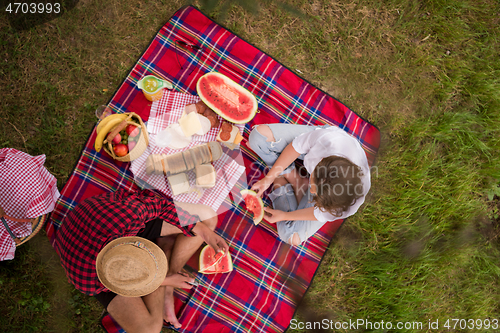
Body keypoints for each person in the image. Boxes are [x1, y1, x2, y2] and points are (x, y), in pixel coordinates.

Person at [54, 188, 228, 332]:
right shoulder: (88, 281)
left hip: (114, 226)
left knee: (208, 218)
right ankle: (165, 257)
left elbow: (158, 205)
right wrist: (162, 280)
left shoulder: (128, 217)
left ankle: (168, 272)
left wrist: (204, 232)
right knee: (149, 330)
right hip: (101, 264)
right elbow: (128, 281)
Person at [247, 123, 371, 246]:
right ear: (320, 161)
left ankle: (282, 178)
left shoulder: (344, 205)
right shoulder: (328, 140)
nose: (312, 192)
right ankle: (295, 181)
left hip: (327, 193)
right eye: (312, 186)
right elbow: (295, 148)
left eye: (313, 191)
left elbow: (318, 214)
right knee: (258, 138)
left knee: (290, 236)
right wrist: (268, 179)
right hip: (315, 144)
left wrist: (285, 215)